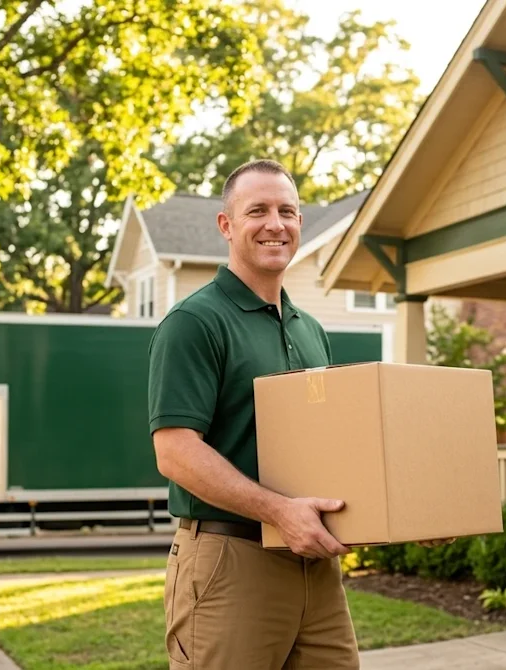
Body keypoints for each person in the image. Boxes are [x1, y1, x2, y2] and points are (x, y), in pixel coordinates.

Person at [147, 159, 449, 669]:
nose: (275, 224)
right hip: (230, 561)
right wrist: (279, 512)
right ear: (226, 225)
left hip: (315, 567)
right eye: (257, 211)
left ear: (300, 223)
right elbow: (174, 452)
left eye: (287, 211)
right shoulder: (194, 322)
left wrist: (406, 513)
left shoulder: (310, 330)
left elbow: (329, 453)